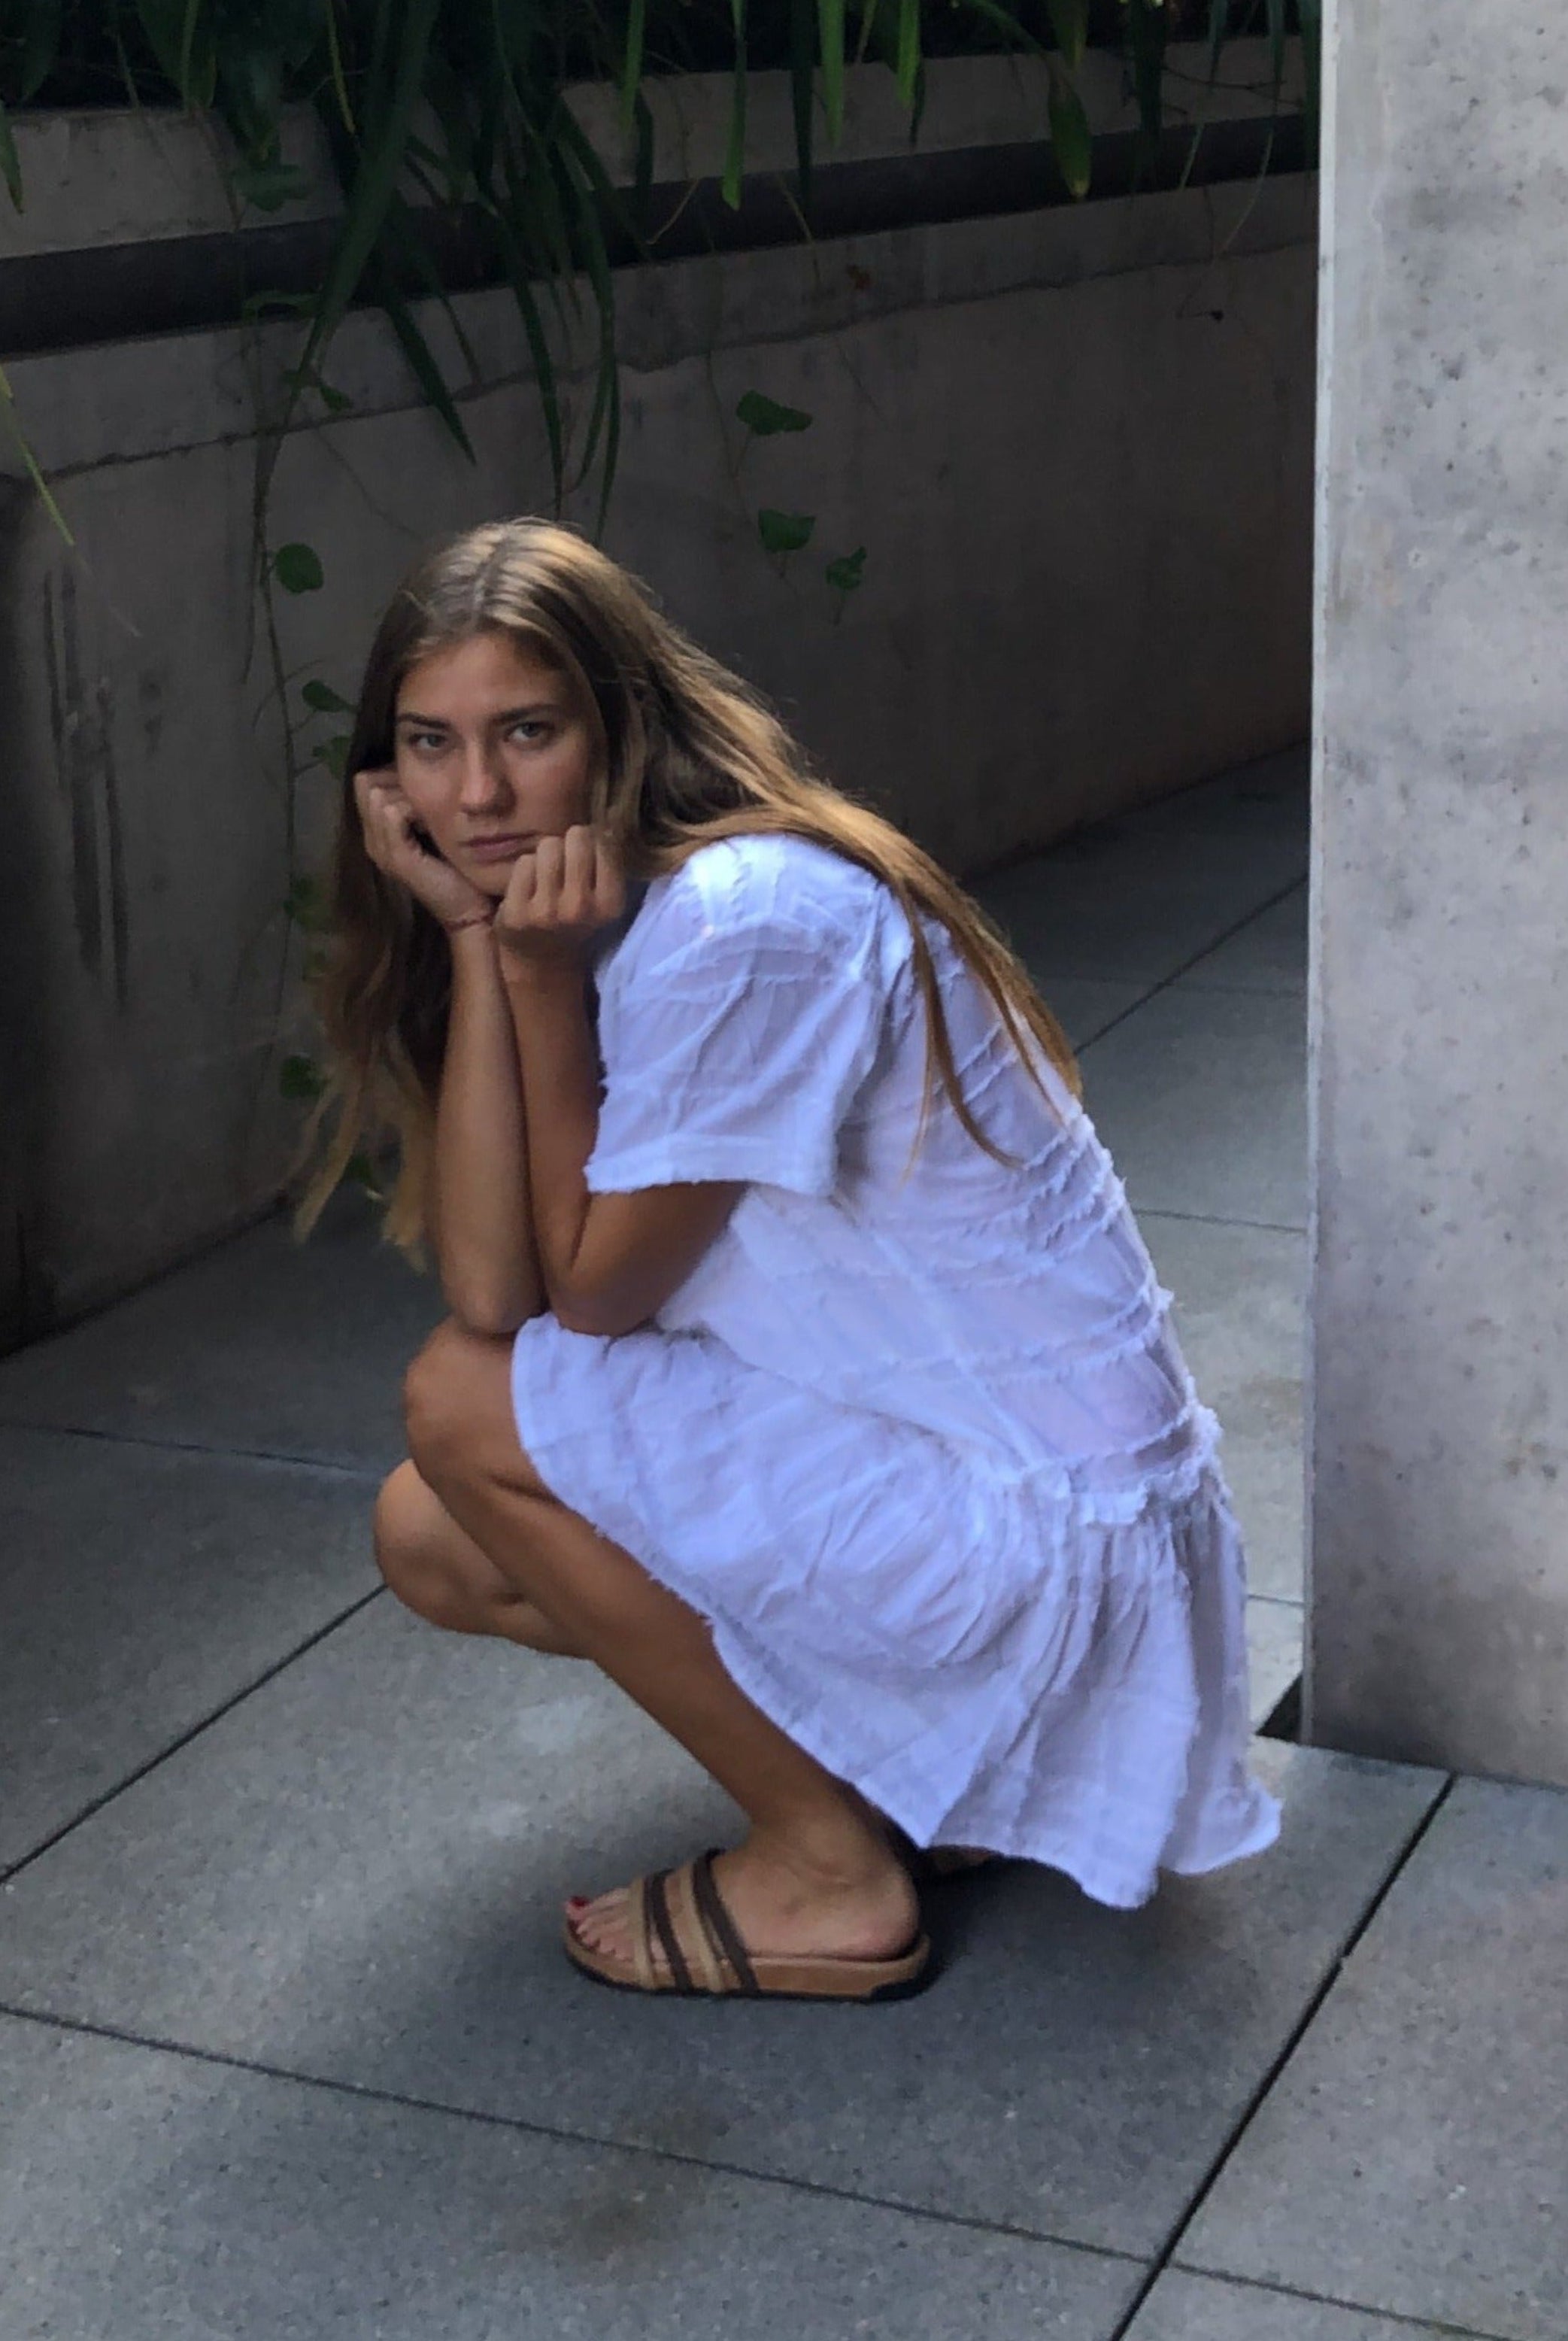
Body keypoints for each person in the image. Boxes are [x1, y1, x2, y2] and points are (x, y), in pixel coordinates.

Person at [295, 515, 1280, 2005]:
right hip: (973, 1494)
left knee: (461, 1404)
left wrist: (537, 983)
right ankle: (920, 1781)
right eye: (430, 744)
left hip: (1049, 1541)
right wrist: (480, 943)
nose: (477, 794)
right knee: (435, 1534)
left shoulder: (742, 919)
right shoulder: (592, 905)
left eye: (527, 732)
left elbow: (587, 1300)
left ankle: (830, 1867)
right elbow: (496, 1287)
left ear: (619, 728)